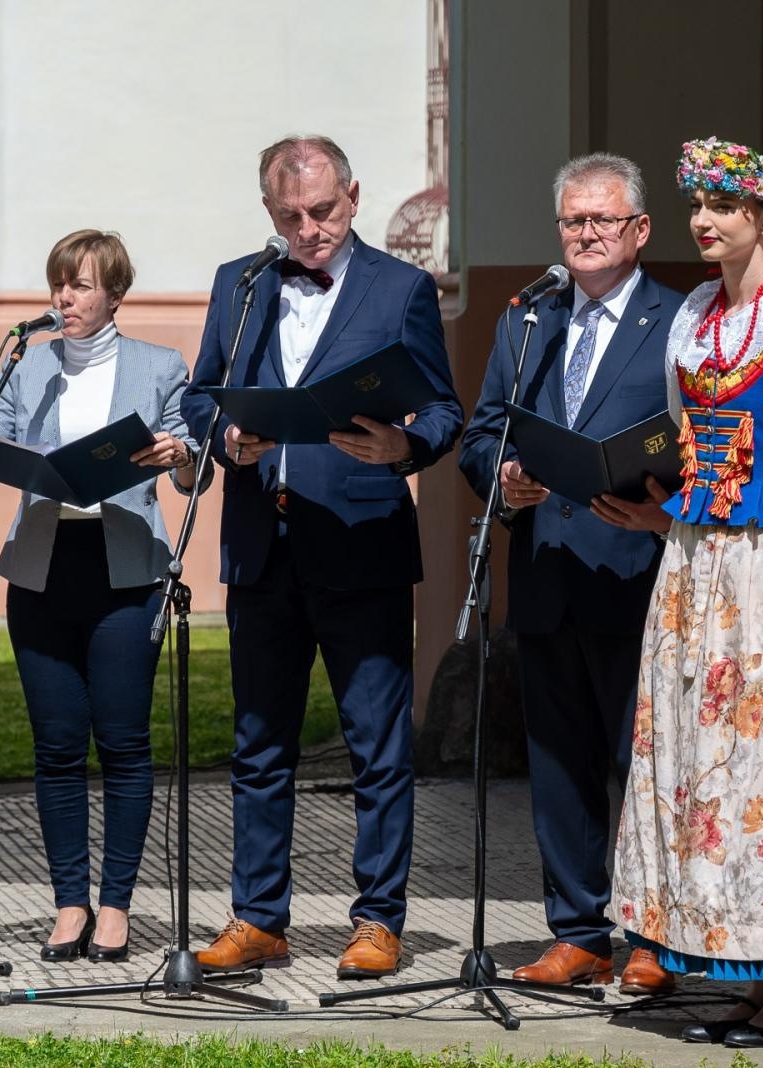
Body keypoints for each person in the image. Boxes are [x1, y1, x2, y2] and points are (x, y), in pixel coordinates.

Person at [180, 135, 462, 980]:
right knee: (259, 744)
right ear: (269, 213)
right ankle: (260, 918)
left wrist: (403, 449)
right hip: (261, 545)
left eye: (323, 211)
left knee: (376, 745)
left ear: (354, 196)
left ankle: (378, 920)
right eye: (289, 215)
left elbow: (444, 409)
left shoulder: (402, 287)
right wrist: (226, 437)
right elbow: (199, 395)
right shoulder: (242, 282)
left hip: (362, 543)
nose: (309, 230)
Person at [606, 138, 763, 1045]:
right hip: (697, 563)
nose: (703, 221)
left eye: (721, 206)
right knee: (698, 748)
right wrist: (665, 509)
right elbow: (681, 430)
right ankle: (721, 956)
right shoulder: (699, 313)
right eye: (697, 205)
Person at [0, 229, 207, 963]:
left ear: (115, 294)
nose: (66, 297)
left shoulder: (160, 367)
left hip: (125, 571)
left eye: (83, 285)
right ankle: (69, 904)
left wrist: (180, 455)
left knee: (122, 742)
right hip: (42, 570)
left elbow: (194, 470)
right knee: (57, 746)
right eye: (60, 283)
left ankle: (117, 905)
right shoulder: (28, 368)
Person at [458, 153, 685, 993]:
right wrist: (504, 473)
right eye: (573, 221)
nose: (586, 235)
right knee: (559, 764)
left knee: (648, 764)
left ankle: (659, 936)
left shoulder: (678, 317)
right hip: (547, 571)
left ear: (639, 231)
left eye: (602, 220)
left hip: (640, 567)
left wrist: (670, 502)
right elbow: (481, 435)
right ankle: (579, 932)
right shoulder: (528, 319)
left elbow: (709, 434)